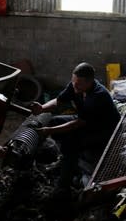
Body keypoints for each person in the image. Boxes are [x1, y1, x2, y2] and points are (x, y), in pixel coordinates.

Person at [29, 62, 120, 197]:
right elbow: (59, 101)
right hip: (85, 121)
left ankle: (62, 187)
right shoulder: (76, 85)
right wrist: (42, 108)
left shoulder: (98, 96)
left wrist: (49, 131)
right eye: (73, 82)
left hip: (103, 130)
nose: (74, 86)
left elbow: (77, 124)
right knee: (54, 121)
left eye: (78, 84)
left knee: (70, 142)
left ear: (89, 82)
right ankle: (67, 159)